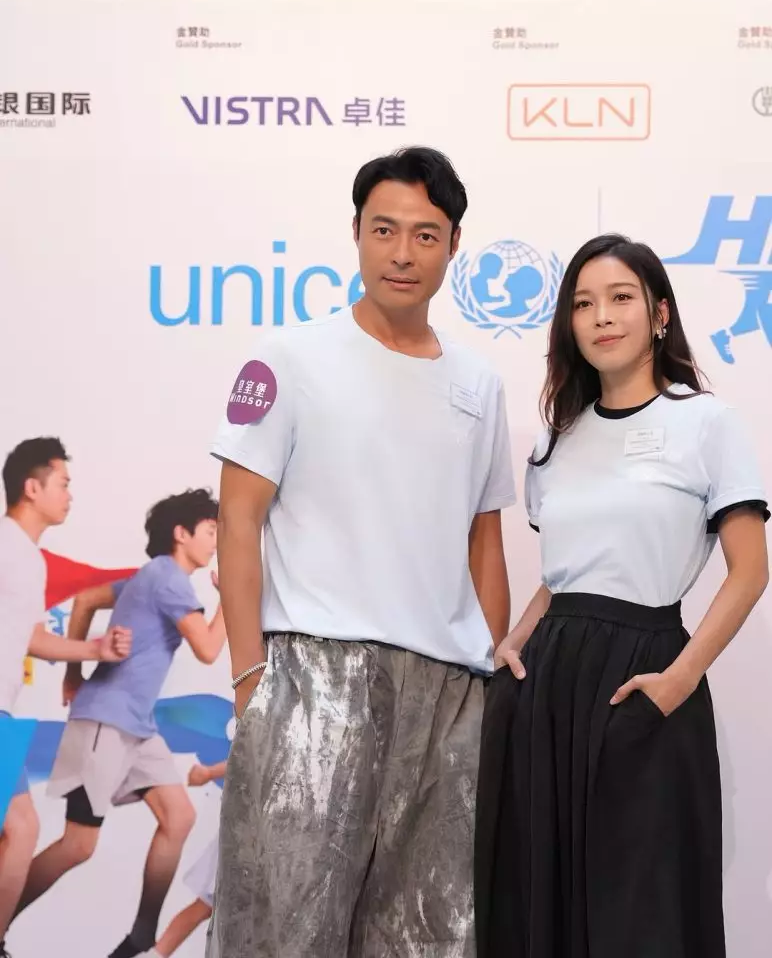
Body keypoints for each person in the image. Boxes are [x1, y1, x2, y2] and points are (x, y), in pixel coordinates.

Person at [208, 146, 516, 957]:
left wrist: (489, 678)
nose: (402, 253)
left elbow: (485, 541)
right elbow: (237, 522)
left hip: (449, 695)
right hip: (312, 678)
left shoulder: (479, 384)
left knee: (433, 936)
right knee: (286, 930)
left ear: (454, 245)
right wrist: (250, 682)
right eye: (384, 230)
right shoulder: (287, 358)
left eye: (425, 235)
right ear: (355, 233)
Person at [474, 233, 770, 958]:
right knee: (538, 903)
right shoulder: (558, 439)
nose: (601, 316)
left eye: (620, 298)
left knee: (639, 911)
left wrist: (680, 678)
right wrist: (514, 640)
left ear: (659, 314)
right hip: (546, 688)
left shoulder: (704, 422)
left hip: (645, 675)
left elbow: (750, 570)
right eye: (583, 303)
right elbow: (564, 575)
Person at [10, 489, 227, 958]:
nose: (217, 542)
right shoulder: (168, 578)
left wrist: (73, 674)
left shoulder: (152, 576)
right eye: (211, 531)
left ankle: (141, 937)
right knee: (78, 845)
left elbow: (87, 600)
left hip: (137, 726)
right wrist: (231, 597)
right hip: (104, 721)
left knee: (179, 816)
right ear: (182, 533)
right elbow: (208, 649)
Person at [0, 437, 132, 958]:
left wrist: (93, 648)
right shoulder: (4, 544)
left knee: (17, 831)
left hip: (4, 712)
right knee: (22, 828)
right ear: (32, 488)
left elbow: (33, 637)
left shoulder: (29, 560)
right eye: (63, 484)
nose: (70, 495)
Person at [137, 760, 228, 958]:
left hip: (282, 836)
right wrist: (209, 772)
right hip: (256, 834)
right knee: (207, 905)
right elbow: (249, 757)